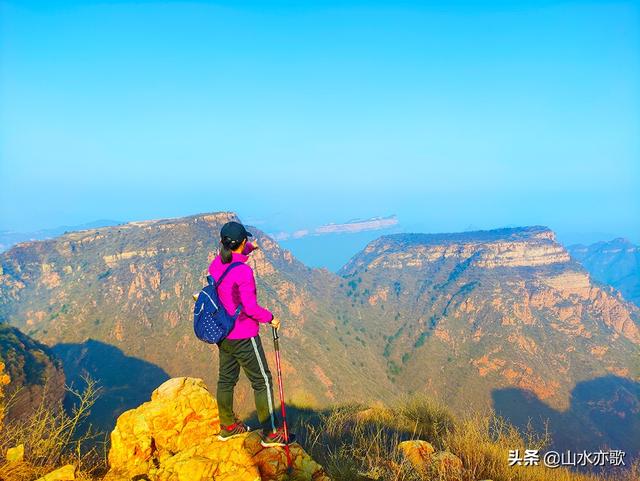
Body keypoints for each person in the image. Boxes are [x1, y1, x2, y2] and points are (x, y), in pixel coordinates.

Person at [208, 220, 293, 447]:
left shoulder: (215, 265)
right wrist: (271, 318)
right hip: (244, 335)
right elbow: (250, 308)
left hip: (222, 334)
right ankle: (271, 433)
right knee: (262, 381)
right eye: (246, 242)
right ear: (243, 241)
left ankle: (227, 426)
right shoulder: (243, 272)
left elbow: (229, 259)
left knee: (226, 380)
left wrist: (247, 249)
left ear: (222, 242)